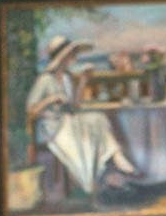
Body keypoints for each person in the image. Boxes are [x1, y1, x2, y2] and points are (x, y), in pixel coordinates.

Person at [25, 35, 140, 201]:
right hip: (51, 127)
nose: (74, 58)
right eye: (72, 54)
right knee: (93, 124)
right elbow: (31, 110)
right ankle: (112, 165)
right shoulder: (45, 80)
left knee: (98, 119)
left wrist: (83, 82)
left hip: (66, 121)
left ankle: (115, 159)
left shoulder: (66, 78)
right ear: (62, 58)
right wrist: (50, 99)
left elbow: (74, 107)